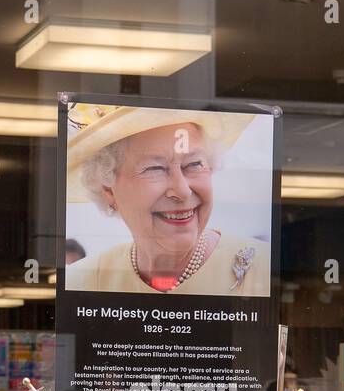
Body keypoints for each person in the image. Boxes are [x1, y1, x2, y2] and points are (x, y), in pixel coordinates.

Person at [65, 104, 271, 297]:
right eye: (155, 168)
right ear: (108, 190)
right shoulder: (79, 283)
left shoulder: (266, 272)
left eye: (194, 164)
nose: (182, 191)